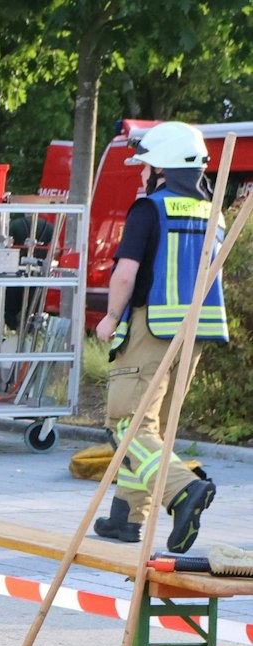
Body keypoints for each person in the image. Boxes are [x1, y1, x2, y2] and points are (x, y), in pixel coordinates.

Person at [92, 120, 224, 552]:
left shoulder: (151, 209)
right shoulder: (213, 211)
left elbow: (126, 272)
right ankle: (128, 517)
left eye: (146, 165)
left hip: (152, 330)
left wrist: (111, 317)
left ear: (163, 167)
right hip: (196, 333)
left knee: (127, 424)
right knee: (155, 429)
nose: (142, 173)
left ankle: (182, 489)